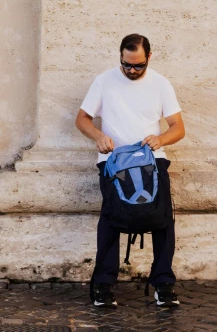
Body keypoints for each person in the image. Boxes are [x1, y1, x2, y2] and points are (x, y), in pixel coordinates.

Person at [75, 34, 185, 308]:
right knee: (112, 217)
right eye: (127, 65)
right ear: (120, 57)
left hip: (152, 159)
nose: (132, 71)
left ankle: (164, 284)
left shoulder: (161, 84)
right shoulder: (104, 80)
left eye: (138, 66)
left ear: (149, 57)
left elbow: (178, 127)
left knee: (162, 218)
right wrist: (98, 136)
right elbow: (82, 119)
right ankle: (103, 285)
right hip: (114, 161)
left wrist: (161, 139)